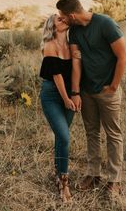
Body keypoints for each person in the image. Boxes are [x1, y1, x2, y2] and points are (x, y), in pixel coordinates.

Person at [56, 0, 126, 195]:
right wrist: (76, 92)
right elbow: (76, 62)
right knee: (91, 132)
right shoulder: (75, 32)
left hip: (107, 90)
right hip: (86, 92)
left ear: (71, 15)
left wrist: (113, 86)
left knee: (113, 134)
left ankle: (115, 180)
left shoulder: (105, 24)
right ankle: (93, 174)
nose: (61, 20)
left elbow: (123, 56)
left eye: (63, 17)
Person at [39, 13, 80, 202]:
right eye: (58, 19)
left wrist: (75, 93)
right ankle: (64, 182)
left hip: (70, 94)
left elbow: (76, 70)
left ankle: (57, 173)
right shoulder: (50, 45)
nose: (63, 19)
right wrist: (66, 99)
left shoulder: (72, 45)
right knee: (64, 136)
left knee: (61, 137)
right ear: (52, 26)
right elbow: (56, 76)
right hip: (52, 95)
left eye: (64, 18)